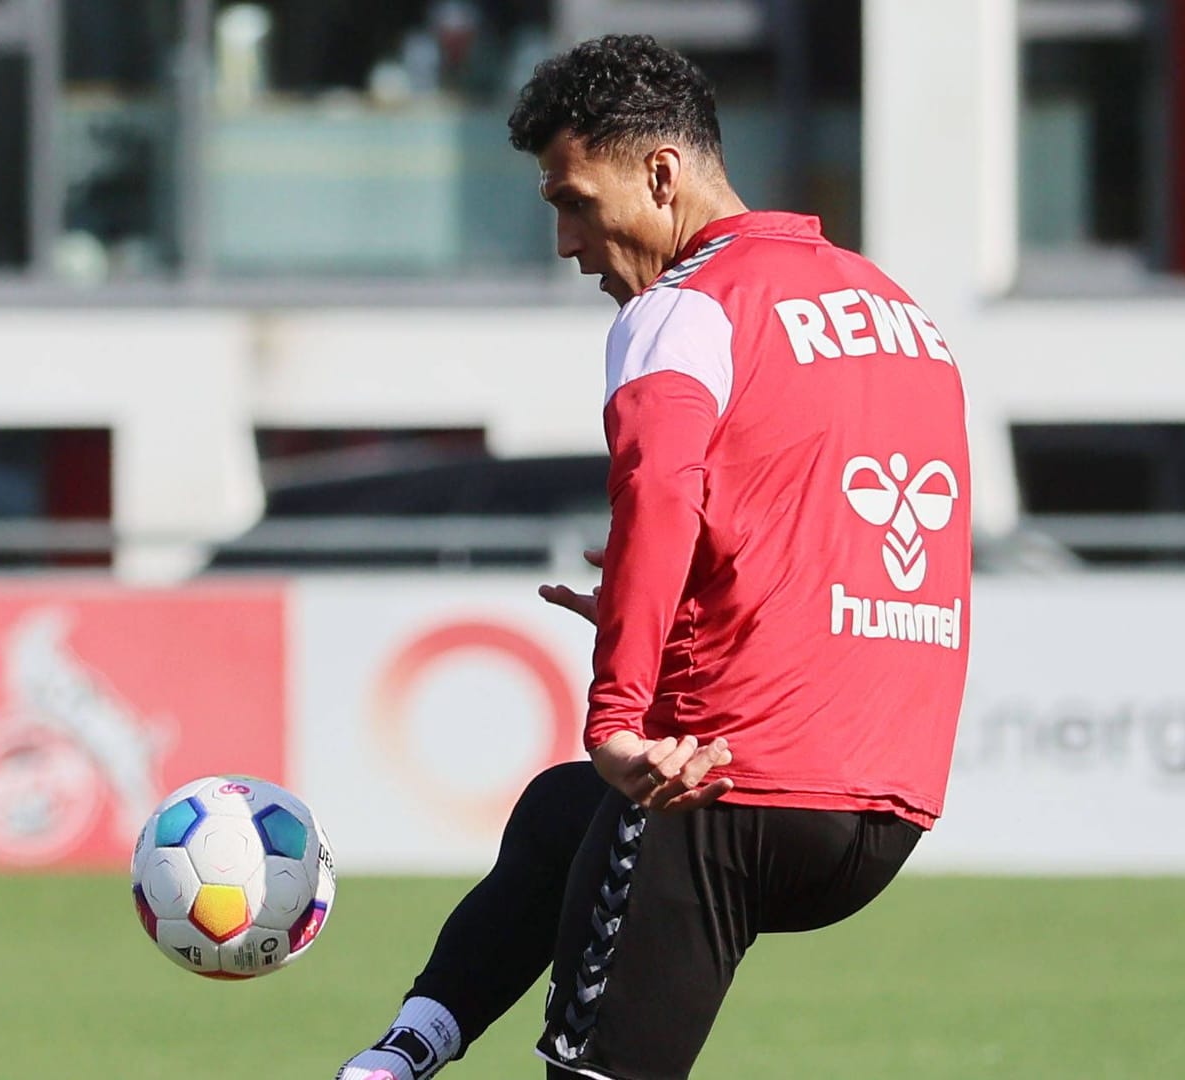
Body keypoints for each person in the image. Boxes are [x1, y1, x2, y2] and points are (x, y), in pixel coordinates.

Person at [337, 33, 971, 1080]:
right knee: (557, 818)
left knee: (605, 833)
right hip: (882, 808)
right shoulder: (903, 314)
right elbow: (844, 533)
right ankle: (405, 1051)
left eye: (574, 201)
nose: (567, 244)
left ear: (662, 174)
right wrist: (673, 612)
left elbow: (658, 499)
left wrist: (618, 718)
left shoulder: (682, 309)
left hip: (723, 790)